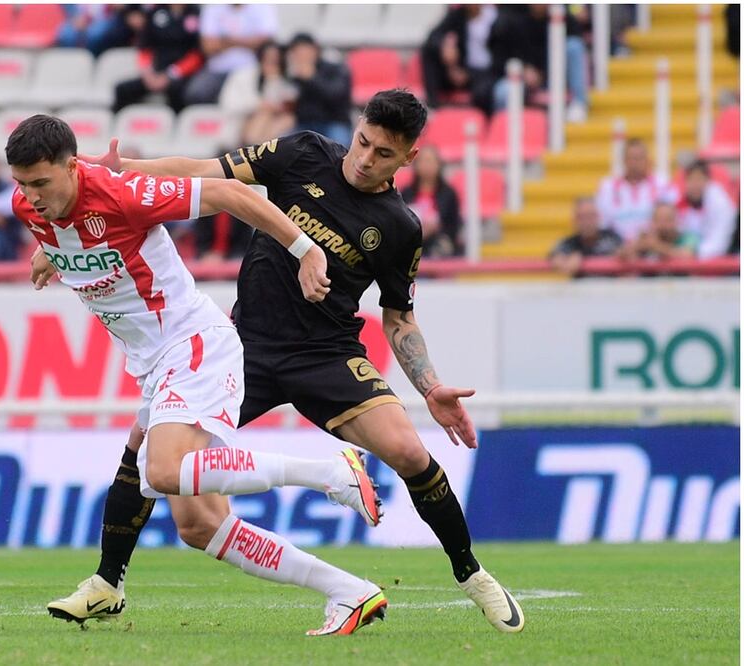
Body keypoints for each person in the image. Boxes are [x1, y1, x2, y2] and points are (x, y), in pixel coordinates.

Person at [42, 89, 526, 634]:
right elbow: (207, 172)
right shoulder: (303, 153)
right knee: (168, 480)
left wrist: (430, 385)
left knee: (410, 452)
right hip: (244, 346)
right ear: (356, 126)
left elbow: (398, 317)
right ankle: (109, 581)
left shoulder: (400, 227)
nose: (366, 159)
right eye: (363, 142)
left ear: (409, 158)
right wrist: (125, 169)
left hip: (328, 355)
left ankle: (472, 574)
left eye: (384, 154)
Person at [7, 114, 386, 636]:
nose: (30, 196)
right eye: (22, 184)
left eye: (41, 183)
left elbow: (233, 194)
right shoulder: (30, 206)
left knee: (161, 469)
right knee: (200, 525)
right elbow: (65, 229)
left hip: (192, 344)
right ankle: (348, 592)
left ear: (72, 167)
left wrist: (305, 250)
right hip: (152, 361)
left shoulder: (124, 195)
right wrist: (50, 252)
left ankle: (330, 473)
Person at [488, 4, 589, 122]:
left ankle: (579, 104)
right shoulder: (512, 17)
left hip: (553, 76)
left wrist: (542, 73)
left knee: (574, 46)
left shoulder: (561, 15)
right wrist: (524, 69)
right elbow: (501, 54)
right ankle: (502, 128)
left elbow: (577, 35)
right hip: (519, 78)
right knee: (504, 91)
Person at [112, 5, 203, 114]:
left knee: (178, 91)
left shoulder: (196, 14)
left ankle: (177, 123)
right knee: (122, 89)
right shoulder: (156, 12)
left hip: (182, 74)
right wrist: (147, 73)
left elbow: (197, 54)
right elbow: (145, 47)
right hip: (156, 72)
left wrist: (171, 74)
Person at [184, 4, 277, 106]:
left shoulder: (262, 7)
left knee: (249, 101)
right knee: (195, 93)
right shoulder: (213, 9)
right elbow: (208, 46)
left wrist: (225, 41)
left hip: (249, 68)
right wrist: (248, 41)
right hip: (217, 69)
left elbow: (266, 42)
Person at [594, 138, 678, 243]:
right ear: (624, 160)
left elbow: (672, 220)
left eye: (639, 158)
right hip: (617, 246)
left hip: (655, 245)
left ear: (647, 159)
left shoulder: (662, 184)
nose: (635, 163)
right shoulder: (608, 187)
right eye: (632, 158)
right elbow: (603, 223)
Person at [420, 4, 499, 114]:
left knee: (484, 92)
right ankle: (432, 106)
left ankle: (482, 119)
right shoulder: (458, 15)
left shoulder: (495, 16)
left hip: (487, 72)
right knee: (429, 53)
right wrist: (444, 47)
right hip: (462, 69)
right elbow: (433, 37)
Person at [284, 33, 353, 147]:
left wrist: (311, 78)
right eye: (296, 53)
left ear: (315, 50)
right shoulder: (294, 76)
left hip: (333, 122)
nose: (301, 57)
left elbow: (335, 95)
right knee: (282, 145)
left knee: (338, 149)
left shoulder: (334, 68)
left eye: (303, 52)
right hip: (304, 125)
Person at [400, 145, 462, 257]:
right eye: (423, 161)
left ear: (439, 164)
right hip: (412, 240)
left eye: (430, 161)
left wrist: (435, 228)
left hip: (439, 241)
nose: (426, 165)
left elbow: (454, 225)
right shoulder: (406, 193)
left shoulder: (448, 194)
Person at [677, 160, 738, 259]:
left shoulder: (720, 203)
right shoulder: (683, 202)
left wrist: (693, 252)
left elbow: (719, 244)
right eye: (690, 179)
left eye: (698, 179)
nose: (694, 185)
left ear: (708, 180)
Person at [548, 196, 623, 276]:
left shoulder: (611, 238)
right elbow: (556, 254)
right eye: (582, 217)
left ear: (598, 217)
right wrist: (558, 257)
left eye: (590, 216)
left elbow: (623, 253)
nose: (587, 222)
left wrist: (582, 257)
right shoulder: (570, 242)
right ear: (575, 220)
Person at [619, 201, 698, 262]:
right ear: (652, 222)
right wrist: (639, 245)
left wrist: (656, 246)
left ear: (676, 221)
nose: (663, 224)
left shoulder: (688, 237)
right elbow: (621, 254)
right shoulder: (646, 238)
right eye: (658, 220)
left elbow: (687, 255)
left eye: (668, 220)